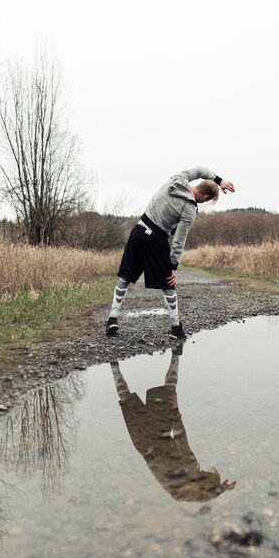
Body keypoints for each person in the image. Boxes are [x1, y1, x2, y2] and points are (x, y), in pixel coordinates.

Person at [105, 166, 235, 338]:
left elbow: (199, 169)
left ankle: (112, 318)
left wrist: (220, 181)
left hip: (139, 229)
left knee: (125, 276)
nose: (202, 203)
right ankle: (175, 328)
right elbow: (178, 241)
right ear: (204, 197)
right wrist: (173, 266)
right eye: (205, 201)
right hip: (156, 239)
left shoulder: (177, 179)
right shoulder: (189, 209)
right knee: (168, 283)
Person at [110, 346, 236, 502]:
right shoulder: (183, 492)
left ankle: (175, 355)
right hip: (148, 446)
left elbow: (180, 437)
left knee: (168, 394)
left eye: (206, 472)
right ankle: (113, 364)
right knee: (128, 400)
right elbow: (198, 496)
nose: (203, 469)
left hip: (153, 440)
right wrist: (220, 490)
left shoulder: (190, 468)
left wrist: (175, 410)